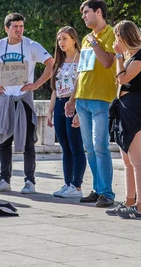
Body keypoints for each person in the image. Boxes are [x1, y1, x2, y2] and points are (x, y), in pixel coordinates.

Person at [0, 13, 54, 194]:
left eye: (21, 26)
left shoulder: (31, 45)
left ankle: (30, 181)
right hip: (5, 98)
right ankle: (4, 179)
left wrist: (36, 84)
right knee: (4, 139)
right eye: (15, 27)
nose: (19, 30)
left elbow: (51, 63)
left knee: (28, 142)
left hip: (23, 99)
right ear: (6, 29)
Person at [65, 0, 117, 208]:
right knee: (89, 148)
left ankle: (107, 193)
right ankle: (97, 189)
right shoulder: (86, 39)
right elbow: (81, 71)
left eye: (86, 12)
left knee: (100, 146)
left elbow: (107, 62)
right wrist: (72, 99)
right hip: (83, 99)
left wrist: (96, 42)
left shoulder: (111, 33)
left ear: (99, 12)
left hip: (102, 98)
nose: (84, 17)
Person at [106, 21, 141, 218]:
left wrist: (117, 56)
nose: (116, 41)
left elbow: (123, 79)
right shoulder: (130, 56)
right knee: (126, 160)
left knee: (136, 159)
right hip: (123, 106)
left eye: (117, 36)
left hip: (134, 107)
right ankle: (129, 201)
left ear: (124, 36)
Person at [47, 26, 86, 198]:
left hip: (74, 103)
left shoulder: (82, 59)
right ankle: (67, 183)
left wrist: (78, 108)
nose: (61, 42)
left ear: (74, 40)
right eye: (59, 39)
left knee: (76, 145)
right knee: (65, 147)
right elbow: (54, 89)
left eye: (64, 38)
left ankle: (77, 186)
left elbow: (83, 86)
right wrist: (50, 111)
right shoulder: (59, 62)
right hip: (60, 104)